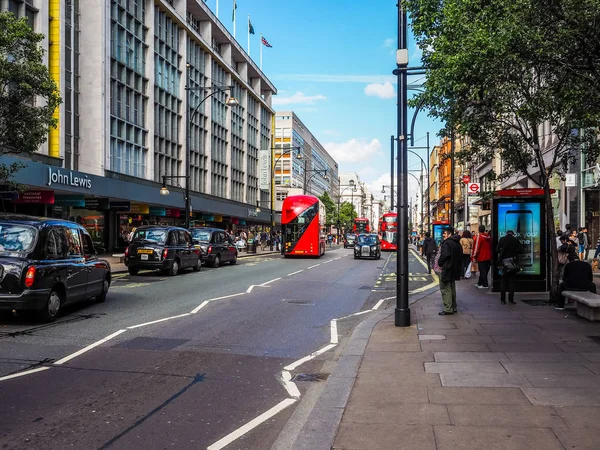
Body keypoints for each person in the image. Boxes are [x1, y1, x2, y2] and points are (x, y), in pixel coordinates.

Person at [438, 227, 463, 315]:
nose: (443, 235)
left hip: (447, 268)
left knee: (445, 288)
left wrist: (440, 263)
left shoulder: (446, 243)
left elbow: (445, 255)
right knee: (452, 288)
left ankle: (448, 308)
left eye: (444, 233)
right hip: (454, 268)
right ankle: (454, 307)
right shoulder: (457, 243)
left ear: (449, 234)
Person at [497, 230, 523, 305]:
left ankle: (502, 300)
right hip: (513, 263)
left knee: (503, 281)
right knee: (512, 281)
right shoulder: (515, 240)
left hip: (504, 263)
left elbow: (497, 250)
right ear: (513, 234)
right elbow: (522, 250)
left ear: (506, 234)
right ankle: (511, 300)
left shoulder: (502, 239)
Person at [472, 224, 493, 289]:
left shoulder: (479, 237)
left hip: (481, 256)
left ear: (479, 230)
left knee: (482, 270)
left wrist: (474, 256)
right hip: (489, 256)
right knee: (485, 270)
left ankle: (484, 284)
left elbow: (477, 248)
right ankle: (480, 283)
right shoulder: (489, 237)